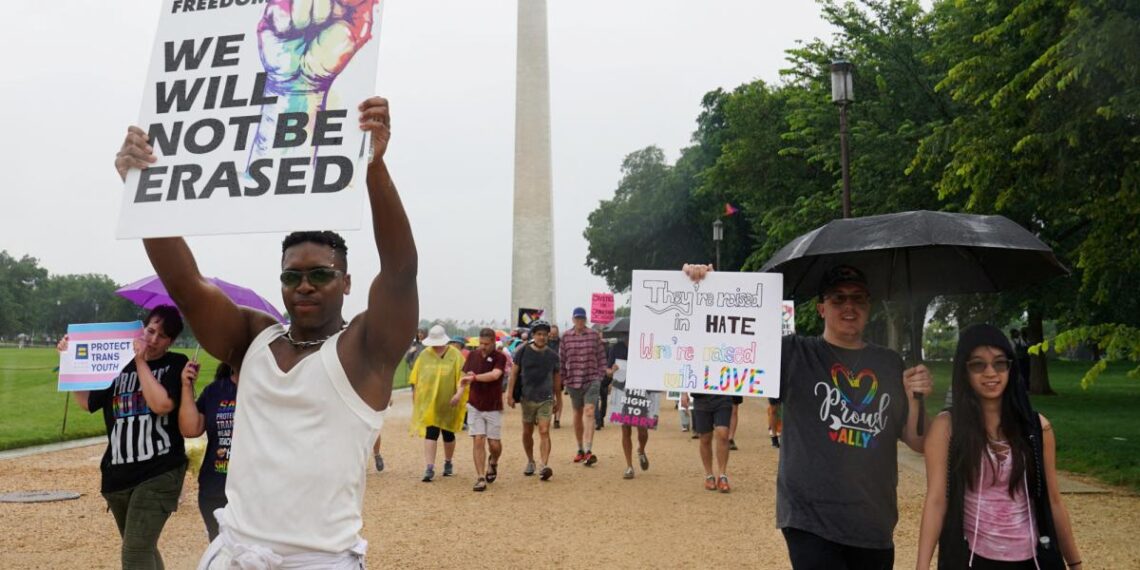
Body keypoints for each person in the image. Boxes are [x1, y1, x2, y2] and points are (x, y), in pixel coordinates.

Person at [116, 96, 417, 567]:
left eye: (320, 274)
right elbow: (187, 286)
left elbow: (400, 273)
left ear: (346, 282)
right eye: (291, 276)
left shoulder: (363, 351)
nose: (304, 286)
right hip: (235, 549)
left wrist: (375, 168)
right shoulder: (254, 336)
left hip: (319, 559)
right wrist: (144, 191)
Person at [684, 263, 933, 568]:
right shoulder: (793, 353)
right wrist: (703, 285)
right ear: (821, 309)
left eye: (858, 298)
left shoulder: (889, 363)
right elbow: (720, 345)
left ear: (869, 306)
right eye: (838, 299)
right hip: (810, 518)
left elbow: (917, 441)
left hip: (874, 521)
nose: (849, 306)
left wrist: (915, 399)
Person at [917, 324, 1081, 570]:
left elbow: (1054, 501)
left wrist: (1075, 563)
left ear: (1010, 367)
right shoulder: (947, 427)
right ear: (965, 371)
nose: (990, 373)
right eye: (978, 365)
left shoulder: (1037, 428)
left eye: (999, 363)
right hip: (974, 557)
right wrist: (922, 566)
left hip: (1031, 559)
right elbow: (936, 501)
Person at [58, 305, 190, 569]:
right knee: (143, 549)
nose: (153, 340)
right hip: (118, 476)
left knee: (134, 554)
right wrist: (69, 359)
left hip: (159, 470)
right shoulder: (117, 363)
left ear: (171, 342)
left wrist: (140, 361)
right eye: (151, 331)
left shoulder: (175, 363)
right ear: (142, 329)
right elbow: (87, 402)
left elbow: (161, 405)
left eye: (162, 336)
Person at [179, 361, 238, 541]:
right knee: (221, 549)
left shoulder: (270, 388)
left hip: (257, 490)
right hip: (216, 488)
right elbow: (190, 429)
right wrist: (187, 387)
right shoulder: (216, 390)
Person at [409, 324, 468, 482]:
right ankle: (429, 467)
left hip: (449, 402)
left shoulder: (455, 355)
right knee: (431, 433)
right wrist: (416, 397)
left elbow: (463, 377)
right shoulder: (424, 355)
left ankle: (448, 462)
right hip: (430, 403)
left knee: (448, 433)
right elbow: (416, 378)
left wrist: (459, 394)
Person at [506, 319, 562, 481]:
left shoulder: (553, 356)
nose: (542, 337)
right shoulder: (522, 351)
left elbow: (557, 379)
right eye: (539, 334)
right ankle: (530, 460)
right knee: (527, 432)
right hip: (527, 397)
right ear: (533, 335)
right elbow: (514, 373)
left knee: (544, 430)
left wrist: (559, 399)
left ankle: (544, 465)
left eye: (545, 334)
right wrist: (509, 394)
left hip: (546, 398)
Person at [459, 328, 507, 491]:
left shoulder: (500, 357)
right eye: (481, 343)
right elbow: (463, 378)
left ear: (494, 342)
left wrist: (474, 378)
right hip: (474, 404)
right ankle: (480, 477)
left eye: (486, 344)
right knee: (478, 439)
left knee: (494, 444)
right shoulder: (472, 356)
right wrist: (459, 394)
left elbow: (494, 375)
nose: (483, 347)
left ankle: (493, 461)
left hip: (493, 405)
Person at [559, 307, 607, 466]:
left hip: (591, 378)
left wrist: (599, 376)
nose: (579, 321)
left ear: (585, 319)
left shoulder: (594, 335)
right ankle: (579, 448)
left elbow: (601, 357)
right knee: (577, 413)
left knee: (589, 411)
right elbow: (562, 359)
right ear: (573, 319)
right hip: (573, 380)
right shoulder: (565, 337)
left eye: (582, 318)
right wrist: (564, 379)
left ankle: (588, 449)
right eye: (577, 318)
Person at [682, 389, 735, 493]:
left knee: (723, 434)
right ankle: (709, 475)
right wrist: (684, 393)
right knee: (705, 438)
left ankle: (722, 475)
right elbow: (688, 372)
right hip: (701, 397)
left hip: (723, 395)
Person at [549, 324, 562, 429]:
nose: (553, 336)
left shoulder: (561, 343)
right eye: (551, 334)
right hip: (547, 371)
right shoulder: (545, 342)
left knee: (558, 395)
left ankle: (557, 419)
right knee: (549, 396)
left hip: (558, 371)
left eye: (555, 334)